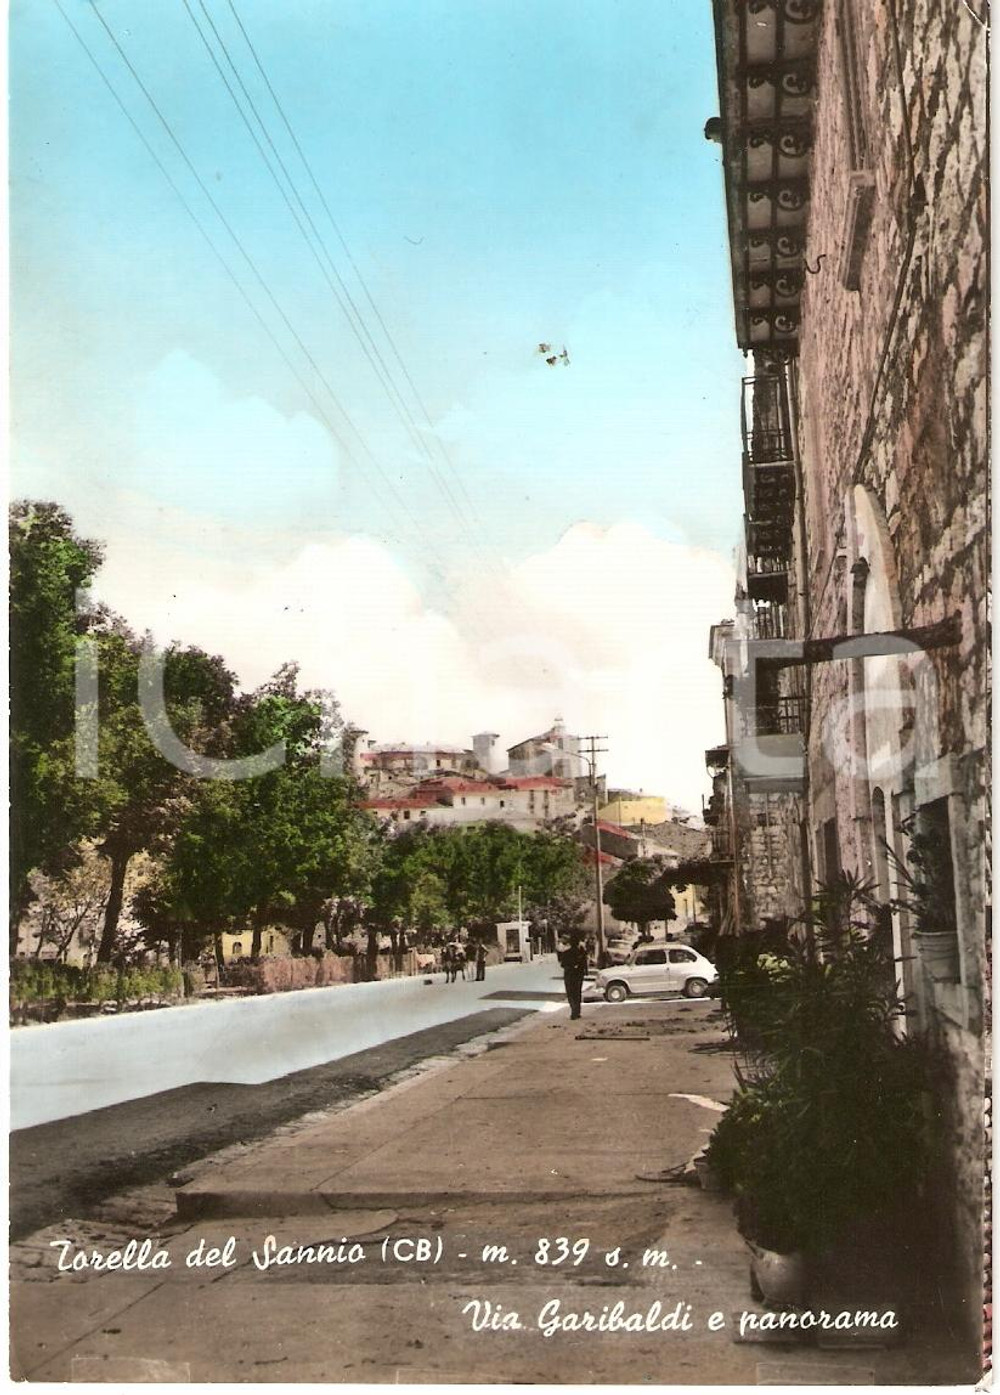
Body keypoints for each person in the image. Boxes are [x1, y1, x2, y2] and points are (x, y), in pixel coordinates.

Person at [557, 931, 589, 1020]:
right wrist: (585, 971)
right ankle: (577, 1011)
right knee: (577, 993)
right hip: (579, 975)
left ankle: (574, 1011)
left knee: (570, 993)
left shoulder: (567, 953)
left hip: (569, 975)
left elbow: (562, 964)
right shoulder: (581, 952)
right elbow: (584, 964)